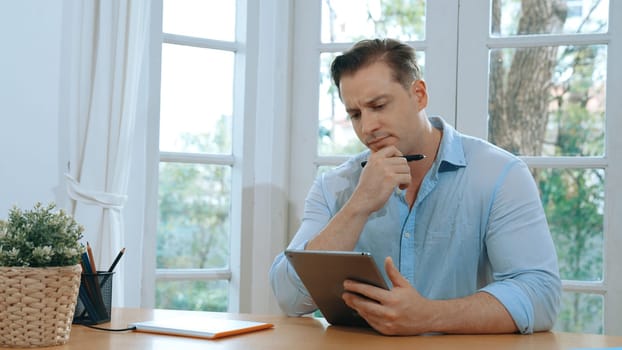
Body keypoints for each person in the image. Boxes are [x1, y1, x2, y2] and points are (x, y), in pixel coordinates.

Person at [269, 38, 561, 336]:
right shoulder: (334, 187)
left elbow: (541, 296)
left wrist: (429, 316)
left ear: (419, 95)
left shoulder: (500, 174)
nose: (367, 127)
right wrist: (359, 205)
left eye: (379, 105)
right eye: (355, 114)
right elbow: (289, 297)